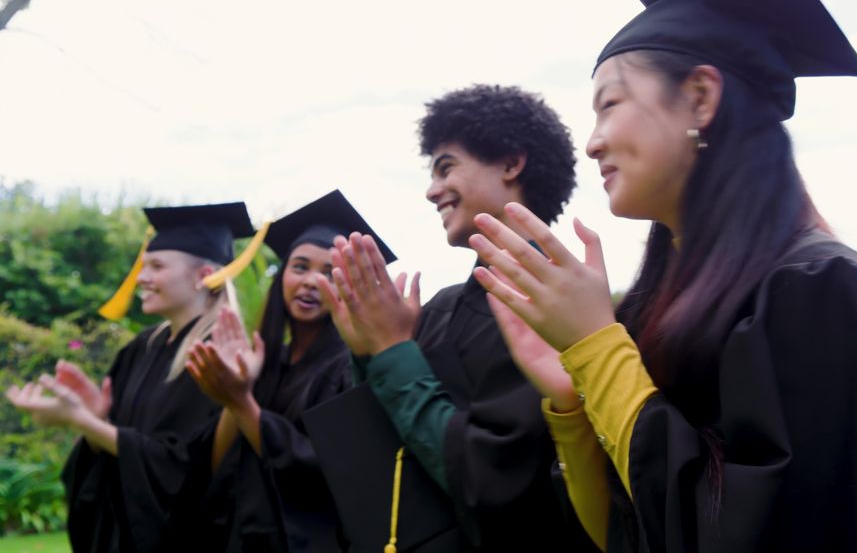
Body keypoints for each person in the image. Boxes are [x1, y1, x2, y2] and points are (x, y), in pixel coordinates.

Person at [466, 0, 857, 551]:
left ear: (700, 97)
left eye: (609, 105)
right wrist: (576, 396)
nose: (593, 144)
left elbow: (749, 537)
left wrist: (598, 350)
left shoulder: (816, 291)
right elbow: (623, 533)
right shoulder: (670, 307)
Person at [308, 84, 596, 552]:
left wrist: (394, 353)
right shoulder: (438, 308)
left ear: (509, 163)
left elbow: (494, 481)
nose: (431, 190)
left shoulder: (564, 307)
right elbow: (386, 450)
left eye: (447, 167)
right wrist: (368, 351)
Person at [6, 202, 258, 552]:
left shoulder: (218, 357)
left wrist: (82, 421)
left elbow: (188, 472)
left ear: (203, 276)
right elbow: (120, 455)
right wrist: (94, 418)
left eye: (156, 266)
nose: (141, 278)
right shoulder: (143, 348)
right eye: (144, 266)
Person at [182, 189, 395, 552]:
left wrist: (242, 402)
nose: (311, 281)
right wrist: (236, 390)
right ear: (282, 276)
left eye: (329, 272)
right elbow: (218, 466)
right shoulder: (265, 359)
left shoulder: (350, 370)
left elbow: (326, 474)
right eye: (300, 267)